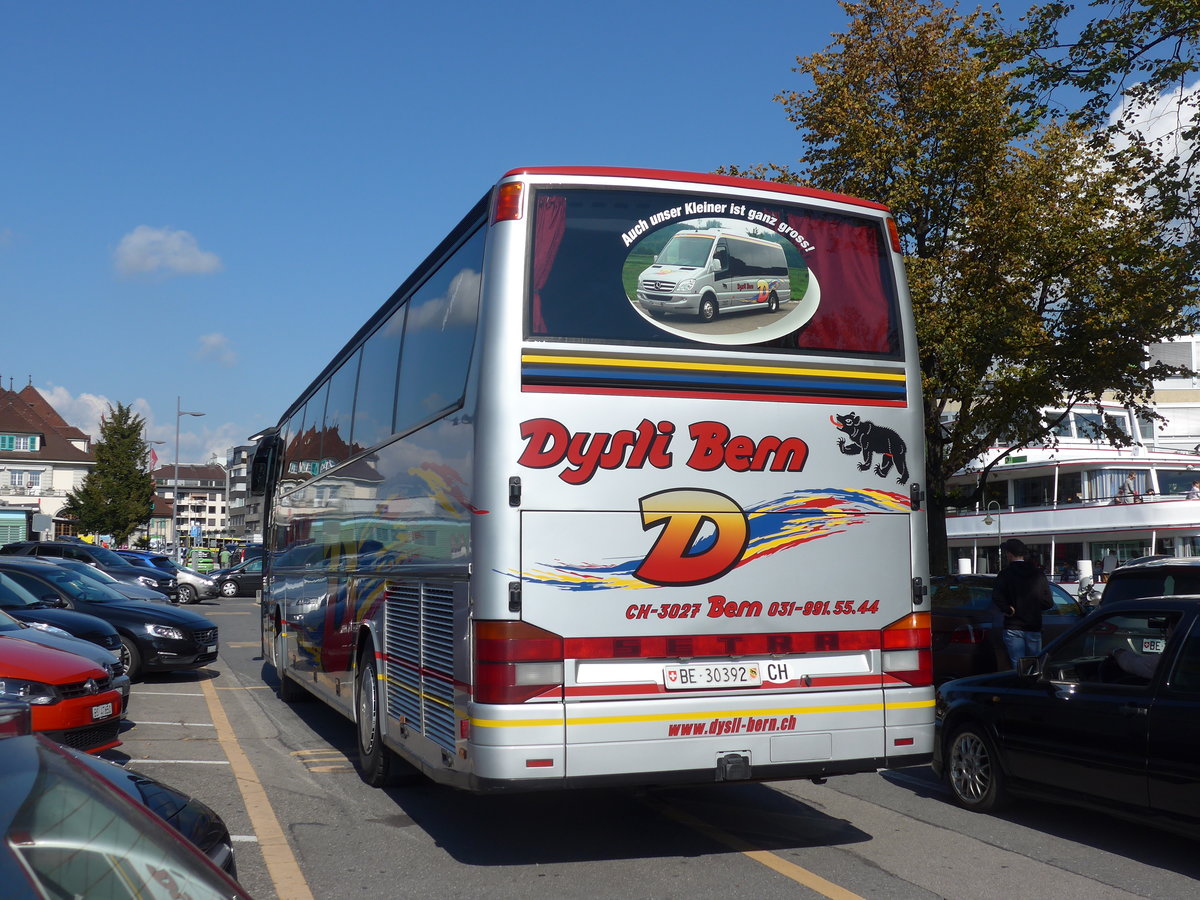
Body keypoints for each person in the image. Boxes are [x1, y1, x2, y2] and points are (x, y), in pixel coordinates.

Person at [992, 538, 1054, 666]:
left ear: (1009, 554)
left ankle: (1018, 684)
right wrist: (1034, 607)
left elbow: (996, 596)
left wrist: (1007, 609)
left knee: (1017, 664)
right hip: (1033, 625)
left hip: (1013, 625)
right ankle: (1031, 685)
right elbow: (1048, 602)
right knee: (1034, 664)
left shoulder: (1005, 574)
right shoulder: (1038, 574)